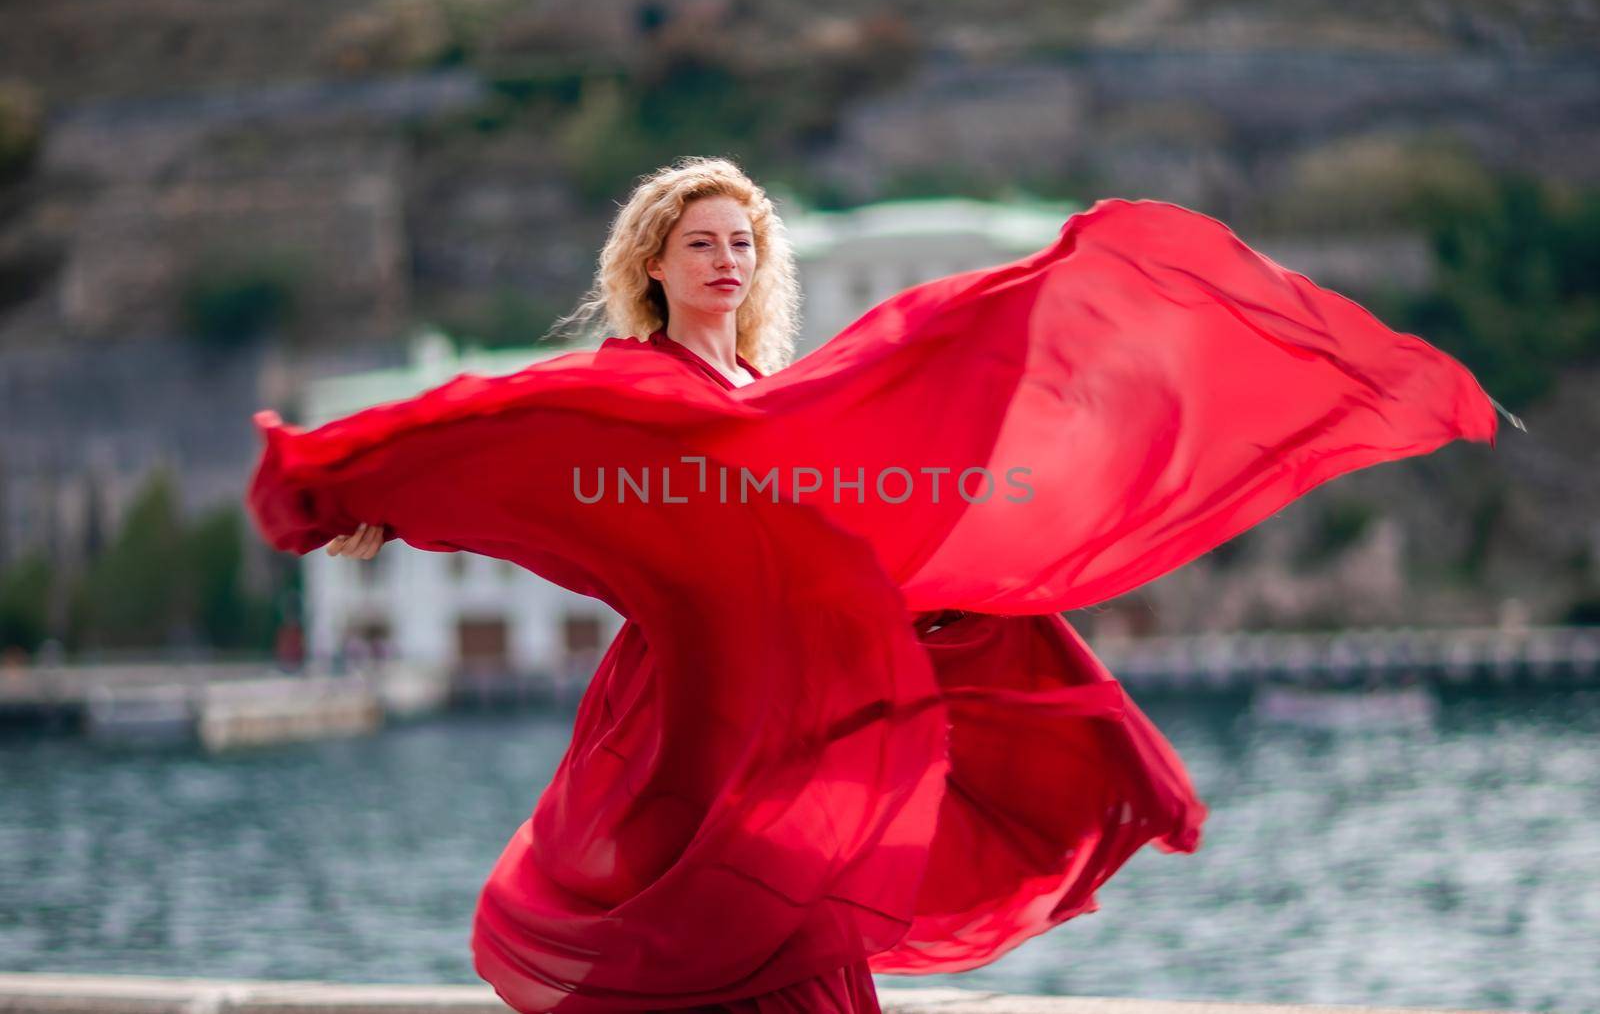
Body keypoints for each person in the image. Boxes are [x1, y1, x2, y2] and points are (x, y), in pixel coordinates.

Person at [260, 156, 1505, 1013]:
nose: (728, 261)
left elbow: (852, 527)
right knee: (702, 937)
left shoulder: (772, 399)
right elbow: (512, 428)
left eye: (744, 243)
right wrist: (360, 479)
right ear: (654, 262)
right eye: (702, 244)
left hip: (795, 697)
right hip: (694, 707)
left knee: (799, 936)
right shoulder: (637, 382)